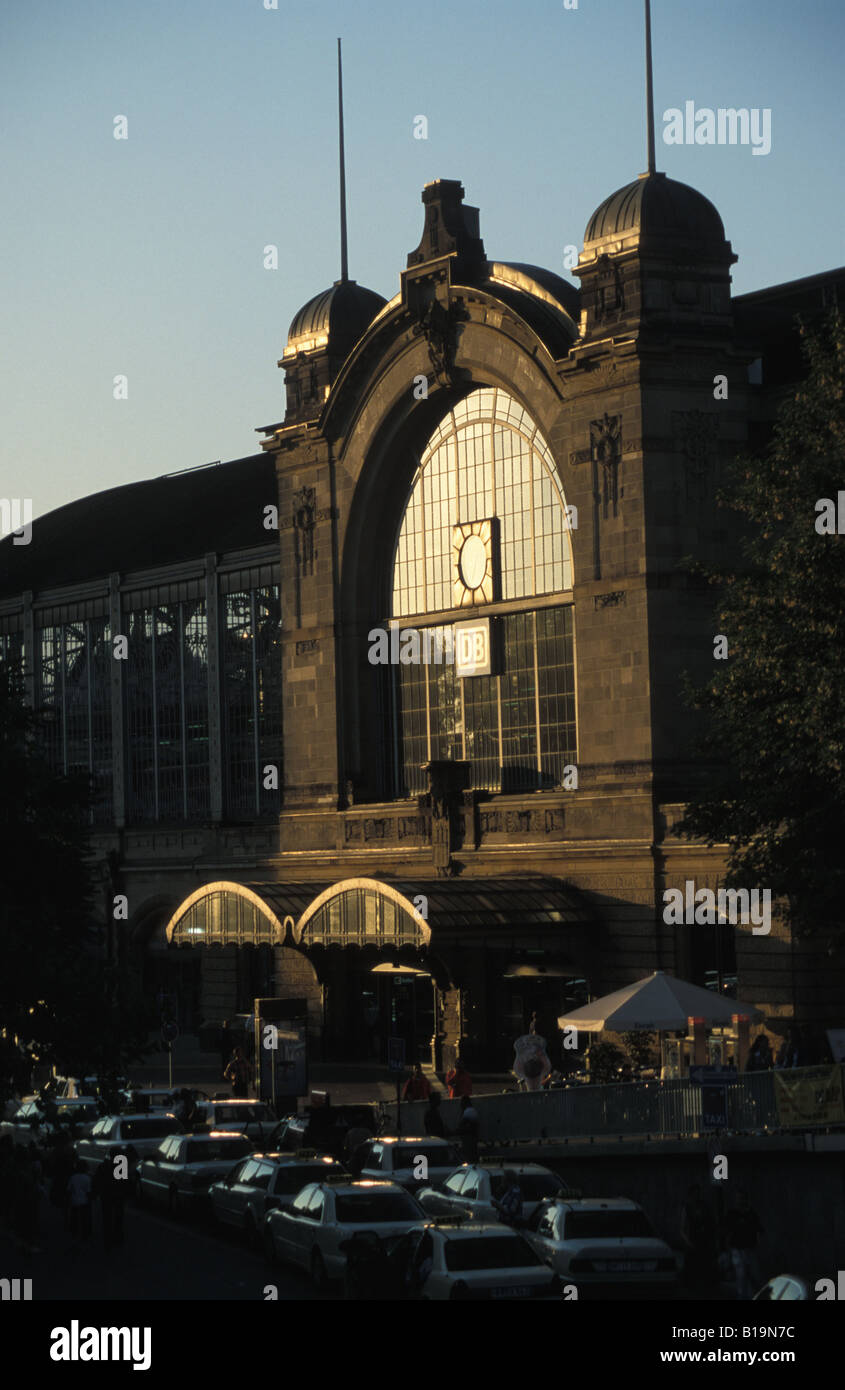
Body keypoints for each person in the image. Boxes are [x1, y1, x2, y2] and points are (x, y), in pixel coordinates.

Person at [724, 1189, 763, 1300]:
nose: (741, 1200)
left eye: (742, 1198)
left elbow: (759, 1230)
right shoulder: (732, 1214)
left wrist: (757, 1242)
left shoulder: (751, 1213)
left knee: (755, 1276)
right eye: (739, 1198)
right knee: (741, 1277)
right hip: (737, 1250)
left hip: (750, 1249)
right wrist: (729, 1250)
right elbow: (726, 1231)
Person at [680, 1184, 715, 1289]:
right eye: (694, 1194)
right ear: (690, 1195)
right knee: (691, 1272)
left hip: (704, 1243)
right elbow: (682, 1228)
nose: (697, 1196)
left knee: (704, 1270)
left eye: (698, 1193)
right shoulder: (687, 1208)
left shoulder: (705, 1207)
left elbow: (711, 1224)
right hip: (692, 1243)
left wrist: (711, 1240)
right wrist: (687, 1242)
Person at [93, 1147, 127, 1251]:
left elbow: (97, 1180)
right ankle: (118, 1237)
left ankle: (108, 1239)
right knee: (118, 1216)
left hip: (106, 1194)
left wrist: (95, 1193)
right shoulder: (121, 1166)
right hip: (118, 1195)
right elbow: (124, 1182)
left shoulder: (103, 1166)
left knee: (107, 1218)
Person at [67, 1160, 93, 1243]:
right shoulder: (87, 1178)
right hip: (84, 1201)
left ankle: (73, 1232)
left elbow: (69, 1190)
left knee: (74, 1217)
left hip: (74, 1200)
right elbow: (88, 1192)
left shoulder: (73, 1177)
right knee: (84, 1218)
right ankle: (84, 1234)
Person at [456, 1095, 480, 1163]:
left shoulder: (469, 1112)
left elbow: (462, 1125)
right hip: (471, 1139)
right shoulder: (471, 1111)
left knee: (469, 1158)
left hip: (469, 1140)